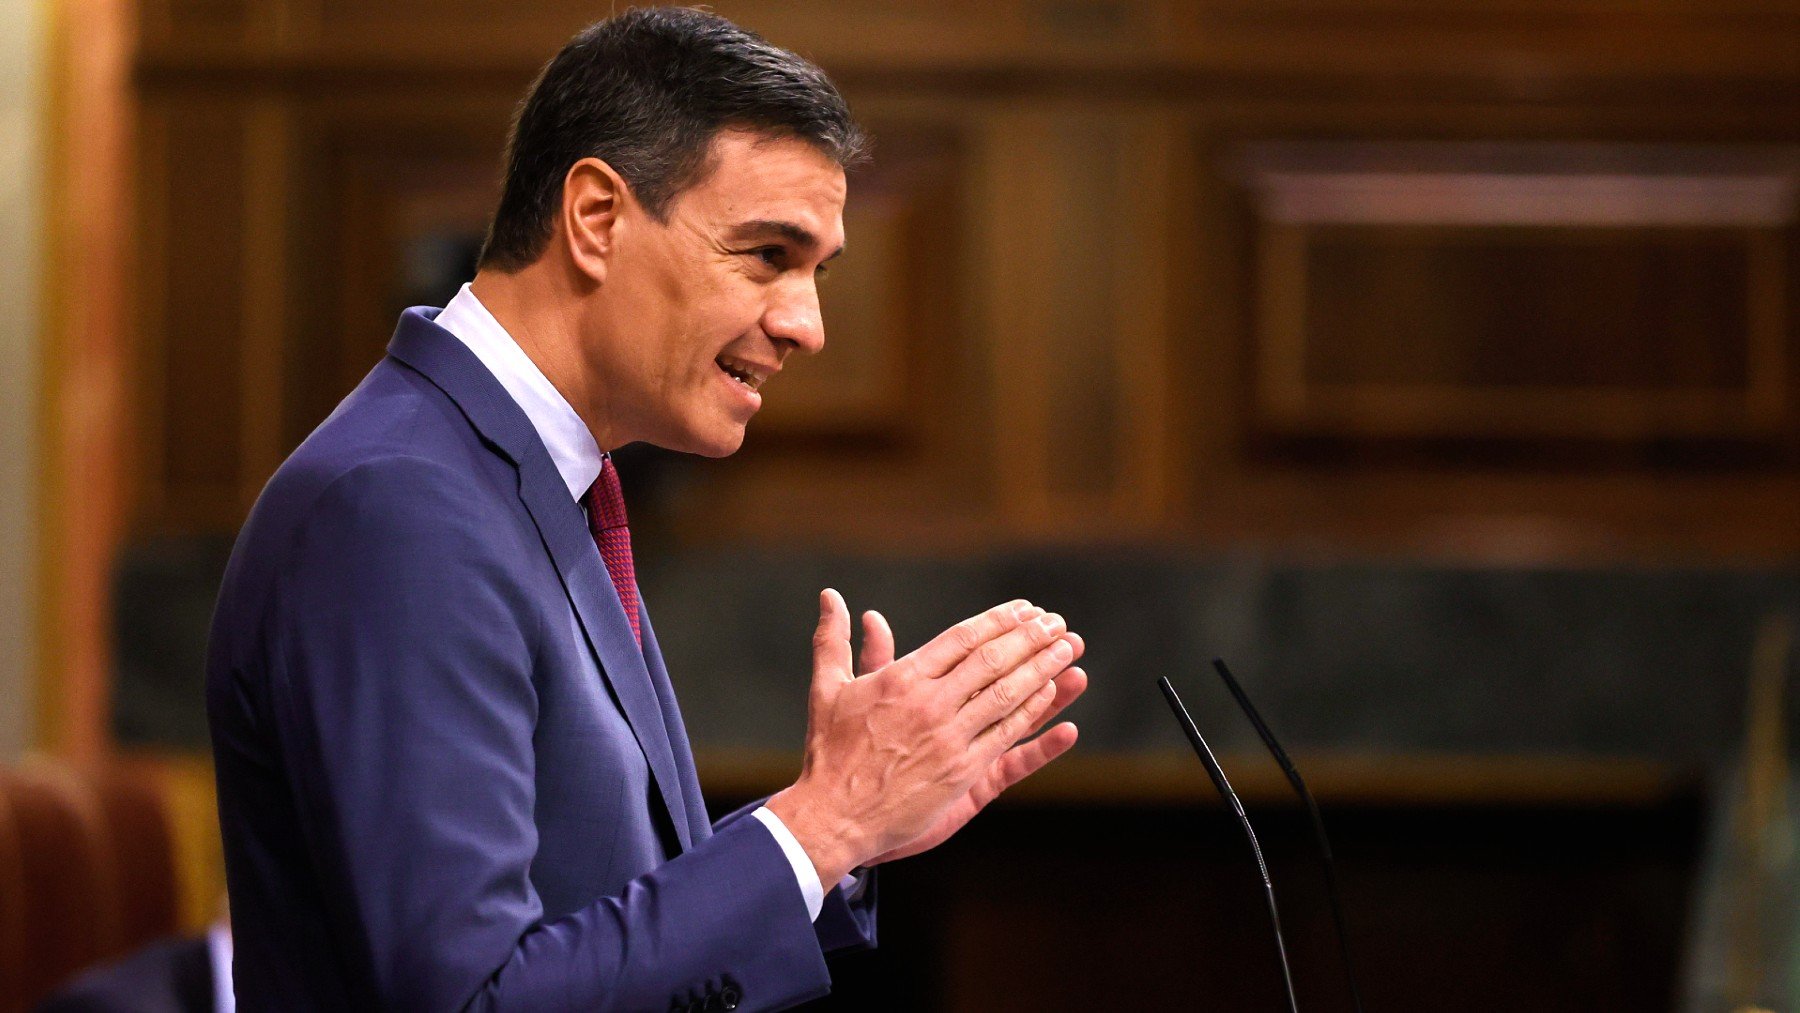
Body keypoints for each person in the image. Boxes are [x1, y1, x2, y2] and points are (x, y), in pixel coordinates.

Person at [206, 8, 1088, 1011]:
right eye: (766, 255)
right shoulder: (398, 506)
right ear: (596, 218)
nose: (807, 324)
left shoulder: (531, 479)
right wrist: (820, 821)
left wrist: (846, 829)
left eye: (817, 271)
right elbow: (473, 997)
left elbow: (596, 899)